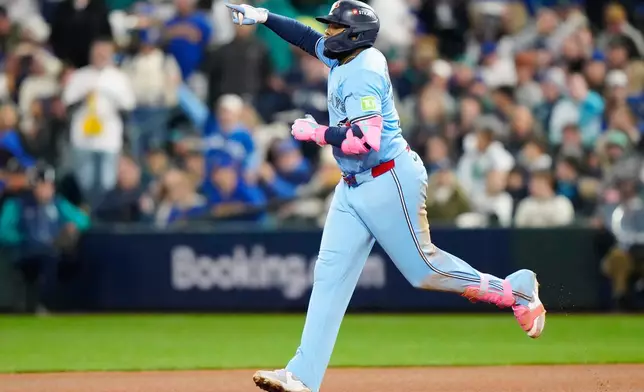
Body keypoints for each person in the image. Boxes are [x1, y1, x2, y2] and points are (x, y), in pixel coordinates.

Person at [225, 2, 547, 392]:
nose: (327, 34)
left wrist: (318, 133)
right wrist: (264, 17)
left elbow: (365, 140)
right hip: (353, 185)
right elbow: (308, 39)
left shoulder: (362, 71)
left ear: (353, 34)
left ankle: (515, 292)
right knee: (328, 276)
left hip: (388, 179)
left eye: (335, 28)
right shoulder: (347, 55)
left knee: (425, 271)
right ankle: (302, 376)